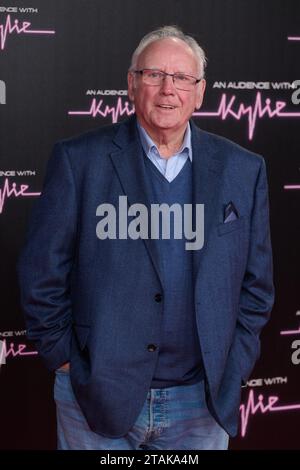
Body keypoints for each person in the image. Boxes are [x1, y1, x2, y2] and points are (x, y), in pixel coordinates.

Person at [17, 25, 274, 450]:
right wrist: (65, 360)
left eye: (182, 78)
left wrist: (236, 365)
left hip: (201, 402)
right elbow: (42, 270)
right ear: (132, 84)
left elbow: (257, 285)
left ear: (200, 92)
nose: (167, 89)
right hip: (94, 397)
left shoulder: (243, 169)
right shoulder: (78, 161)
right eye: (154, 75)